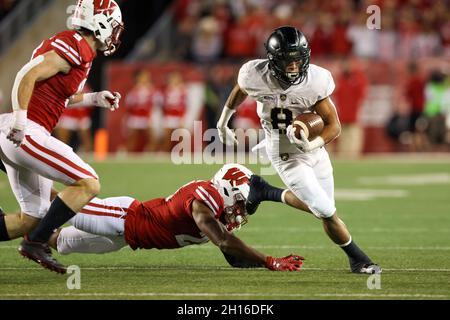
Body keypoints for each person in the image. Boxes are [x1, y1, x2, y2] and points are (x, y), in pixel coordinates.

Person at [216, 26, 381, 274]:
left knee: (324, 207)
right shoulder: (254, 74)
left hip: (314, 151)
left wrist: (312, 144)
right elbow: (241, 90)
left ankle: (264, 191)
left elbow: (333, 126)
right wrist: (223, 120)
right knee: (325, 210)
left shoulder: (316, 80)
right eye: (287, 60)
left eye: (297, 60)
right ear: (273, 60)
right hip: (284, 153)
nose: (293, 66)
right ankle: (358, 259)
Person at [0, 0, 124, 274]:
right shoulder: (75, 43)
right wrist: (21, 119)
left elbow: (59, 96)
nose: (116, 34)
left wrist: (94, 98)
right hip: (25, 131)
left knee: (30, 218)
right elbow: (26, 74)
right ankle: (36, 243)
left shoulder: (81, 52)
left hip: (20, 133)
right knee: (89, 184)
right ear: (100, 23)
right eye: (113, 26)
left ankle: (33, 235)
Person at [46, 164, 304, 272]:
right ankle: (29, 179)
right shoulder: (207, 197)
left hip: (126, 238)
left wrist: (258, 262)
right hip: (125, 218)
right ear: (226, 190)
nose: (239, 211)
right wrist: (271, 261)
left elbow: (234, 257)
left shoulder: (216, 209)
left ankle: (19, 225)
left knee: (59, 242)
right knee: (67, 208)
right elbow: (224, 242)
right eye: (239, 203)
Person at [125, 70, 164, 153]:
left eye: (145, 77)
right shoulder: (133, 90)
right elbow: (129, 104)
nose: (144, 79)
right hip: (135, 117)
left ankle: (149, 153)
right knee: (132, 139)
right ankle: (126, 154)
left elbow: (158, 103)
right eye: (142, 77)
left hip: (148, 117)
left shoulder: (152, 90)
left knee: (153, 139)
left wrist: (153, 117)